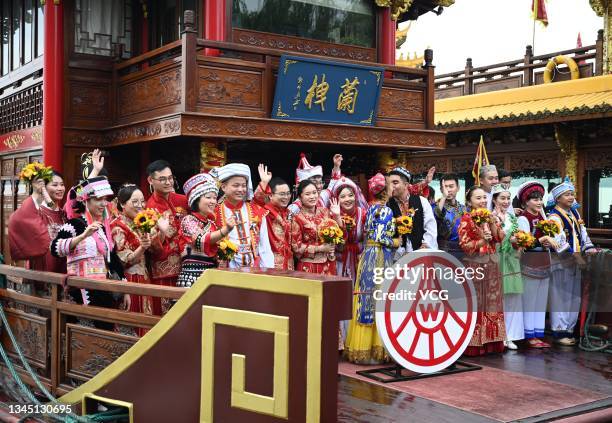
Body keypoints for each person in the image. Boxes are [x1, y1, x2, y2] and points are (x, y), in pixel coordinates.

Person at [345, 173, 397, 363]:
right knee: (380, 296)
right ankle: (377, 348)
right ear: (385, 191)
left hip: (368, 254)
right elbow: (382, 237)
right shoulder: (386, 210)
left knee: (366, 295)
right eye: (391, 185)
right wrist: (396, 241)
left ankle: (362, 347)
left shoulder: (369, 209)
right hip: (380, 255)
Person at [51, 177, 124, 310]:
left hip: (103, 290)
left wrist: (125, 290)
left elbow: (112, 259)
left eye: (105, 199)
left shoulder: (102, 228)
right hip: (80, 290)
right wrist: (83, 236)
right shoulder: (74, 224)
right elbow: (55, 249)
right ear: (85, 201)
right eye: (98, 199)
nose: (103, 204)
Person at [547, 180, 597, 346]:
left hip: (576, 262)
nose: (571, 197)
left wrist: (589, 249)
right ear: (558, 198)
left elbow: (583, 235)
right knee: (561, 297)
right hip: (562, 263)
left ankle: (569, 329)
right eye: (567, 195)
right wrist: (577, 257)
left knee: (572, 297)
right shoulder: (554, 217)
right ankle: (559, 332)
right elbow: (559, 242)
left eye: (572, 194)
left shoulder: (575, 215)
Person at [459, 186, 506, 356]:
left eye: (484, 198)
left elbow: (500, 238)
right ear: (469, 201)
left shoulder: (491, 217)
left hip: (492, 265)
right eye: (478, 198)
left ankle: (492, 342)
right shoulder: (466, 219)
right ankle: (474, 345)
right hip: (475, 266)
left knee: (492, 303)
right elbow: (464, 245)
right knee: (476, 304)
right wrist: (480, 242)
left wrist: (493, 222)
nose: (483, 201)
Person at [516, 181, 558, 348]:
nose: (539, 202)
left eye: (540, 198)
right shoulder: (523, 218)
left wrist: (548, 241)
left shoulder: (544, 217)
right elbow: (525, 242)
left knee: (541, 302)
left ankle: (538, 333)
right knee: (530, 300)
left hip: (544, 262)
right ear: (526, 201)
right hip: (530, 263)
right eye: (534, 199)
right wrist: (542, 240)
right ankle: (528, 335)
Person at [145, 160, 188, 313]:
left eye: (170, 178)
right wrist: (162, 232)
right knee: (166, 315)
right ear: (151, 180)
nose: (168, 182)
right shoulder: (148, 209)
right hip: (164, 271)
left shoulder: (183, 200)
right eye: (162, 179)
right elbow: (152, 247)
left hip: (188, 267)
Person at [178, 173, 235, 287]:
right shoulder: (188, 220)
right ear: (196, 200)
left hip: (211, 277)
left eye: (215, 198)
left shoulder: (212, 224)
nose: (213, 201)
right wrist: (226, 230)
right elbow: (200, 239)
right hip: (192, 277)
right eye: (208, 197)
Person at [111, 184, 154, 335]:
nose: (140, 205)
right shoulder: (117, 226)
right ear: (122, 204)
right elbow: (124, 260)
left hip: (143, 277)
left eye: (142, 201)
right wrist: (142, 247)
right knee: (132, 324)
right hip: (129, 279)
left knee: (145, 322)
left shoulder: (139, 223)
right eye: (134, 202)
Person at [212, 163, 273, 268]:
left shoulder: (256, 210)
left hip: (254, 268)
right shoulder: (214, 213)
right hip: (225, 268)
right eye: (236, 185)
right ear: (223, 187)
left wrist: (267, 270)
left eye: (244, 185)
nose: (241, 189)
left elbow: (264, 246)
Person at [9, 170, 66, 275]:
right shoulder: (37, 212)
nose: (60, 188)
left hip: (63, 269)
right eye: (55, 185)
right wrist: (36, 193)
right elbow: (18, 218)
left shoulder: (64, 214)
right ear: (44, 187)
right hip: (41, 271)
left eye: (62, 185)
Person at [491, 184, 524, 350]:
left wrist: (520, 245)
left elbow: (519, 237)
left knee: (512, 298)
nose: (506, 201)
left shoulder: (512, 218)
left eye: (508, 198)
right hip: (497, 259)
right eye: (502, 198)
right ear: (494, 199)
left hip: (512, 259)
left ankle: (511, 335)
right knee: (499, 299)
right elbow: (492, 241)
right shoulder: (491, 217)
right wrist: (506, 242)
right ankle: (500, 336)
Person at [291, 179, 342, 275]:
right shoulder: (297, 218)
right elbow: (296, 248)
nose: (312, 196)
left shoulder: (325, 212)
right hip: (309, 267)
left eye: (314, 193)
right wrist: (320, 248)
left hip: (329, 263)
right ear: (300, 197)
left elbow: (339, 235)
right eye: (307, 194)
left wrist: (337, 216)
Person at [387, 167, 437, 256]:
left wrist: (425, 246)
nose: (391, 186)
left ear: (406, 185)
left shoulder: (422, 201)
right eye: (388, 183)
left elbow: (430, 227)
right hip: (395, 257)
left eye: (395, 182)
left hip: (420, 255)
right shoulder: (387, 206)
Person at [254, 165, 294, 270]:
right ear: (270, 195)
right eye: (282, 194)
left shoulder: (289, 213)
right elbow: (256, 201)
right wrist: (264, 183)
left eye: (288, 193)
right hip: (270, 263)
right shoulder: (265, 212)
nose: (286, 197)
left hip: (289, 264)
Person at [434, 173, 467, 253]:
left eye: (451, 186)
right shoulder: (435, 207)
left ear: (458, 188)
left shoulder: (464, 209)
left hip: (463, 251)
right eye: (445, 187)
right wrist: (444, 197)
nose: (448, 190)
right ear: (441, 190)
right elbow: (437, 214)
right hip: (443, 251)